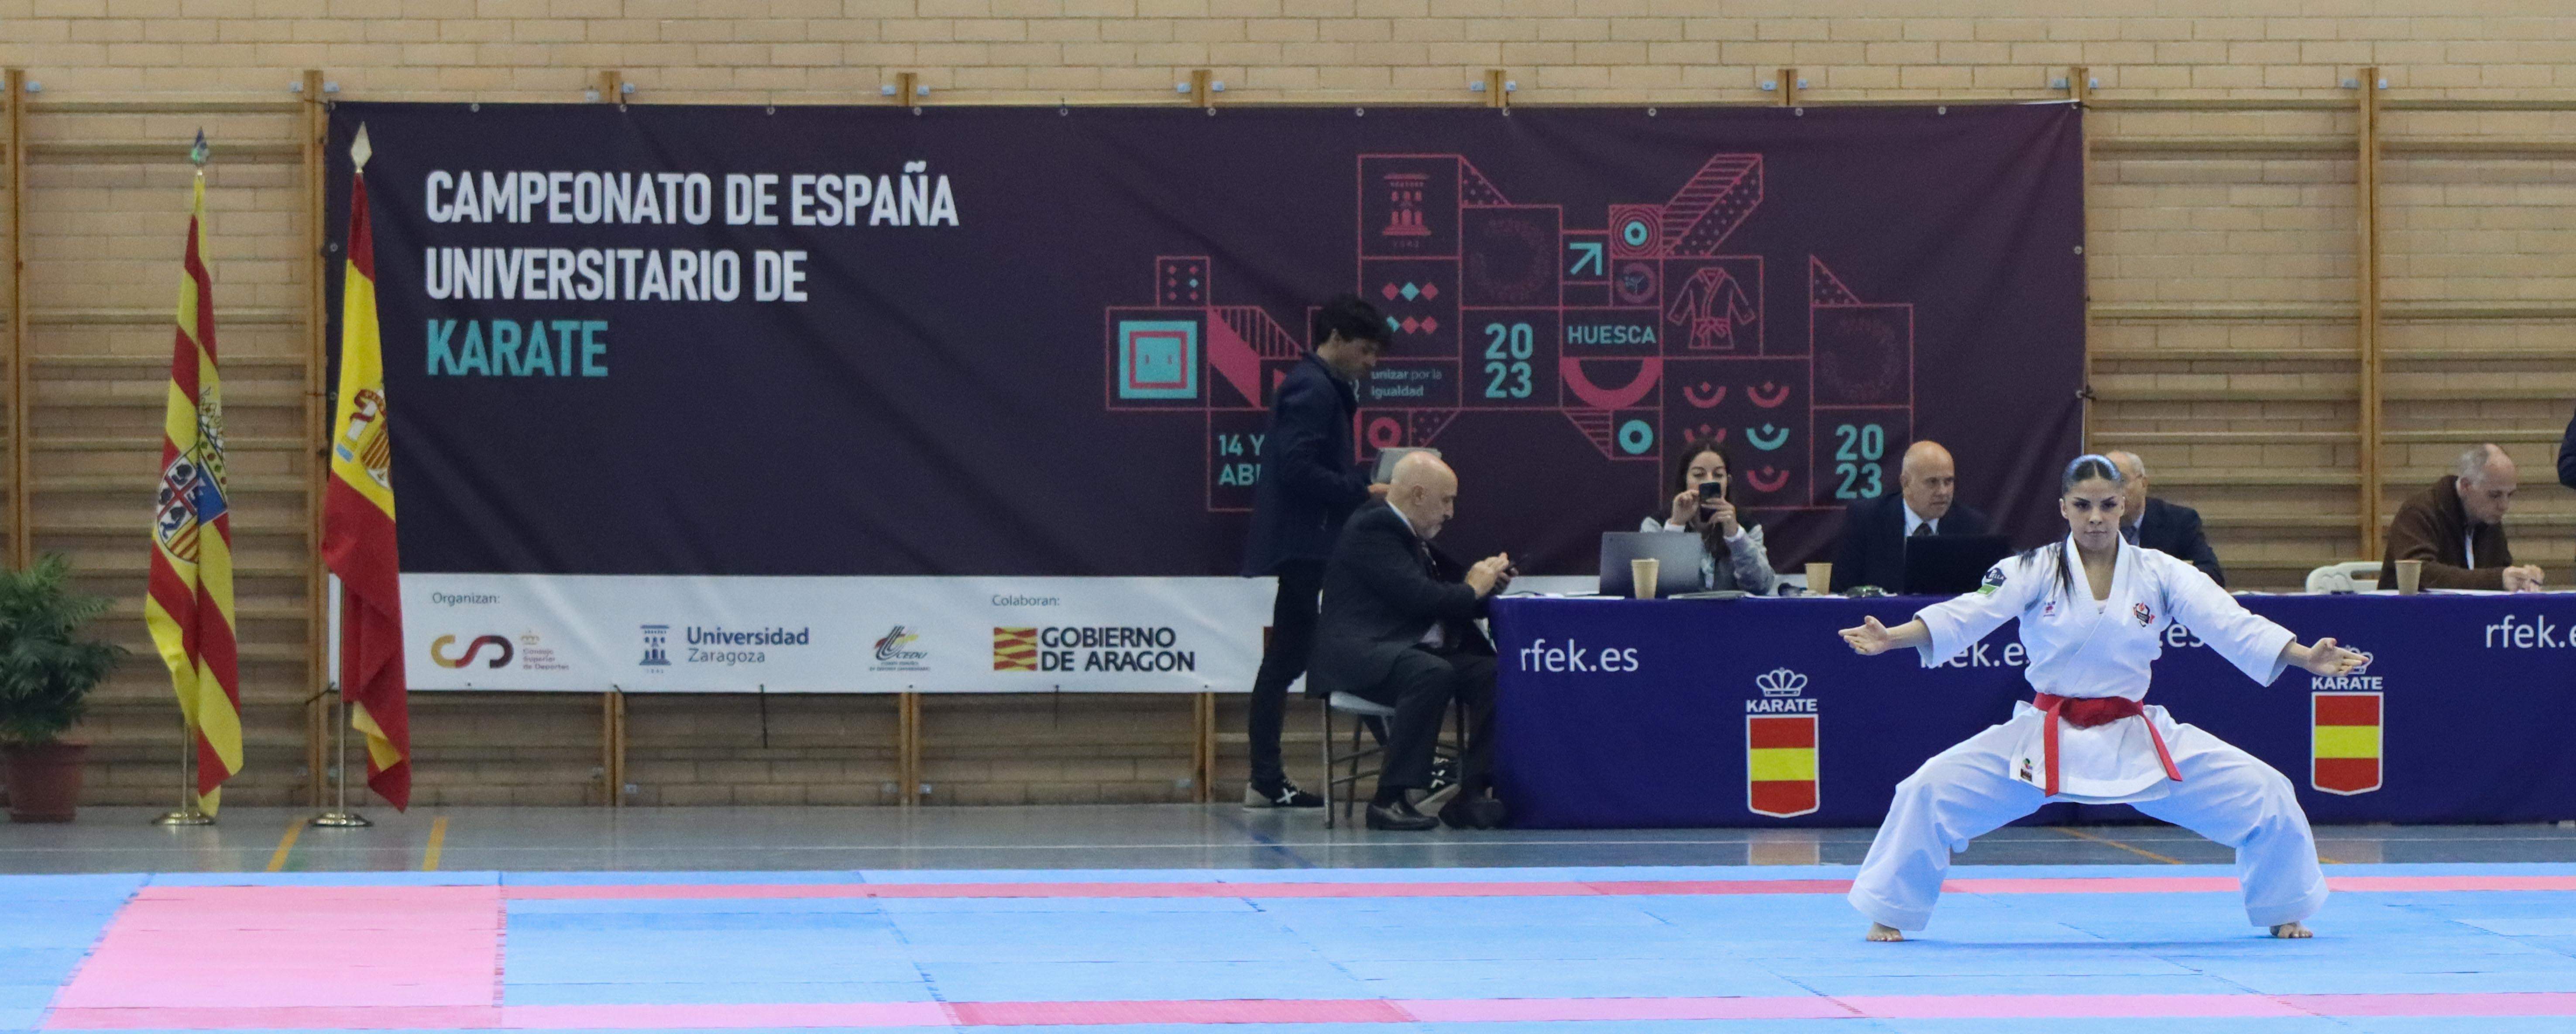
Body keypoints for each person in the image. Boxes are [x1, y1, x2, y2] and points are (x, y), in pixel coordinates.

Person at [1837, 455, 2363, 943]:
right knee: (1925, 789)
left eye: (2107, 505)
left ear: (2123, 505)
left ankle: (2282, 907)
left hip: (2133, 734)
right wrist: (1893, 637)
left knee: (2269, 792)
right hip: (2044, 736)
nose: (2095, 518)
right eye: (2083, 505)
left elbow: (2230, 622)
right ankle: (1890, 910)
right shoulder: (2031, 568)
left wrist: (2303, 656)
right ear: (2063, 508)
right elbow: (1969, 612)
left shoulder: (2160, 571)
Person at [1238, 293, 1389, 809]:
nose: (1371, 363)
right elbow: (1297, 469)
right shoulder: (1313, 388)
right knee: (1317, 654)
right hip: (1308, 545)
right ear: (1336, 339)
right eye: (1366, 350)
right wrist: (1362, 490)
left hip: (1310, 543)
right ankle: (1266, 778)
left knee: (1303, 656)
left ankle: (1265, 779)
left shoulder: (1320, 386)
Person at [1308, 452, 1512, 831]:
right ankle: (1389, 800)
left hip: (1408, 649)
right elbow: (1419, 598)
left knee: (1495, 674)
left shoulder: (1411, 534)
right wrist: (1472, 589)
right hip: (1363, 653)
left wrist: (1485, 589)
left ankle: (1471, 792)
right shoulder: (1375, 527)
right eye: (1446, 500)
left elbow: (1448, 597)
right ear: (1418, 495)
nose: (1450, 512)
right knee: (1431, 673)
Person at [2381, 444, 2545, 593]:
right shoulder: (2418, 512)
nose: (2504, 506)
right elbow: (2420, 574)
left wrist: (2522, 580)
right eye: (2495, 495)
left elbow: (2500, 571)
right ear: (2466, 486)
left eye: (2510, 495)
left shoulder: (2488, 519)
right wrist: (2497, 580)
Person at [1830, 440, 1990, 593]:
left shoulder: (1971, 526)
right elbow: (1841, 591)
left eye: (1948, 482)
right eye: (1932, 482)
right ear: (1905, 483)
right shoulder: (1867, 519)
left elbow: (1983, 595)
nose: (1943, 492)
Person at [1641, 437, 1778, 594]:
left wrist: (1736, 537)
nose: (1709, 482)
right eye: (1699, 475)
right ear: (1685, 479)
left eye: (1718, 475)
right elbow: (1651, 587)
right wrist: (1676, 527)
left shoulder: (1747, 527)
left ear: (1728, 481)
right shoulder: (1655, 525)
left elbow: (1761, 586)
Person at [2104, 451, 2226, 586]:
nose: (2113, 491)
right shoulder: (2091, 525)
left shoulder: (2179, 522)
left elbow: (2213, 575)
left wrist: (2163, 579)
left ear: (2144, 483)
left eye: (2122, 481)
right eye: (2106, 483)